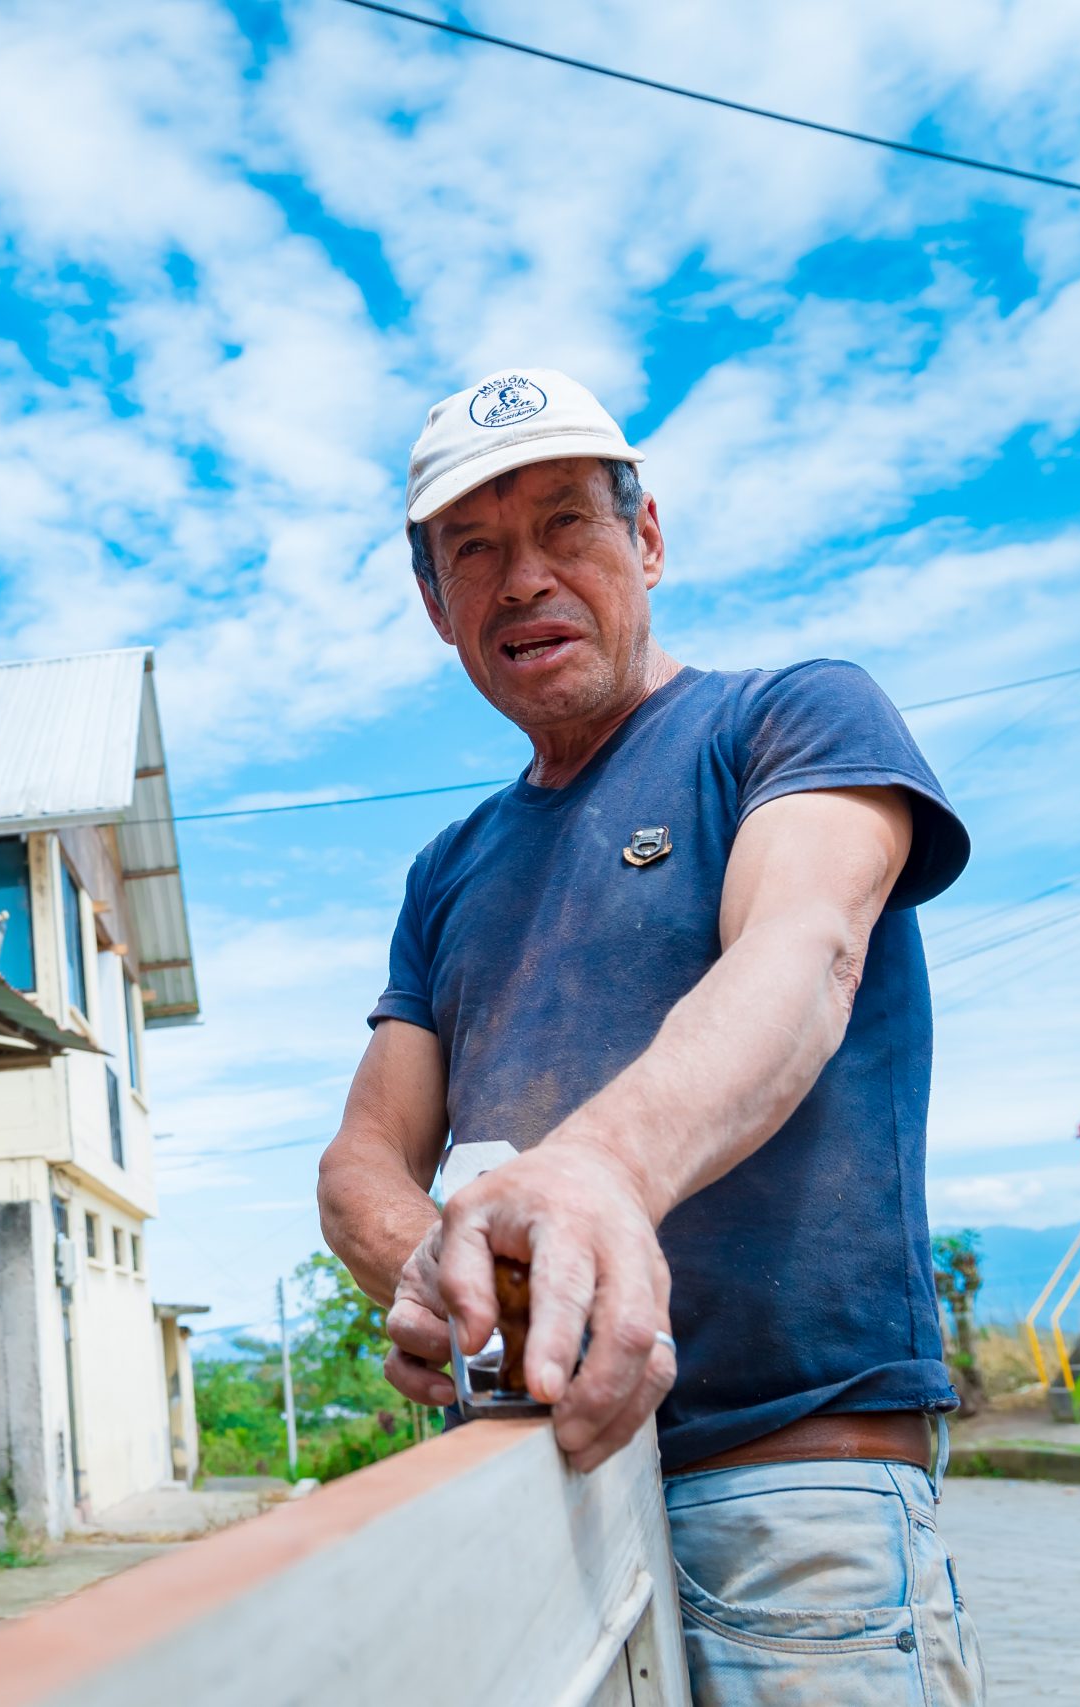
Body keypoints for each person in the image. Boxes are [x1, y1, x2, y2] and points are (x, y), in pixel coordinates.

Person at [315, 368, 985, 1703]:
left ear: (649, 540)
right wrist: (441, 1267)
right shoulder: (448, 870)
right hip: (537, 1488)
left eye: (567, 523)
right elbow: (361, 1163)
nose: (524, 579)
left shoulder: (790, 718)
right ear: (436, 605)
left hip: (788, 1492)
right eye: (475, 551)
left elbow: (803, 952)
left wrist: (598, 1174)